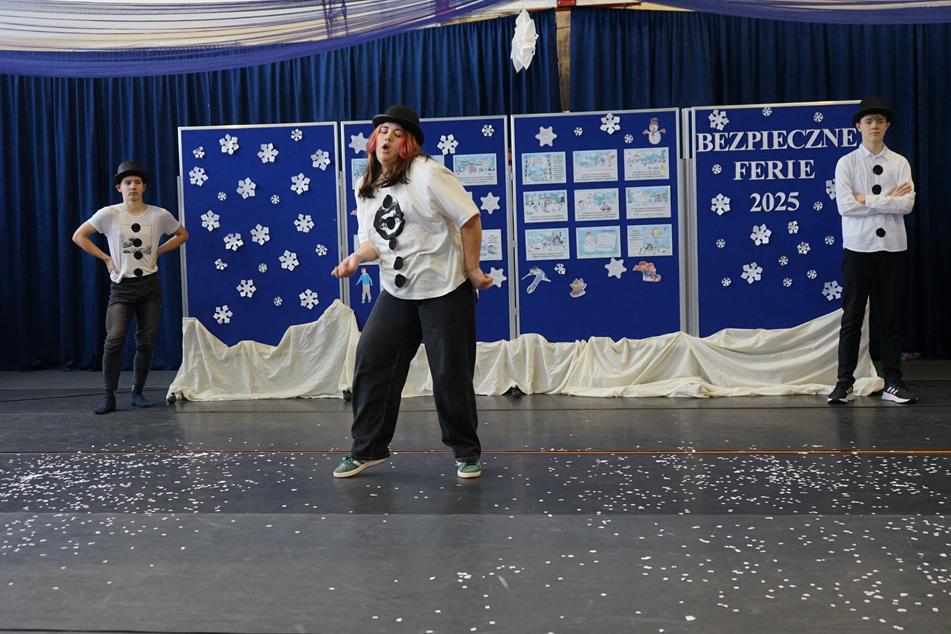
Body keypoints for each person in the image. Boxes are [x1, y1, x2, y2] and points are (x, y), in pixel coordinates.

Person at [331, 105, 493, 479]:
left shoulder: (428, 173)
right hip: (398, 291)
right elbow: (373, 243)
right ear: (374, 140)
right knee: (371, 359)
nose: (387, 137)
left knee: (450, 375)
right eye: (383, 131)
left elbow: (469, 218)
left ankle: (465, 451)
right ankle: (368, 448)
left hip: (444, 289)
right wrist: (356, 258)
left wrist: (472, 268)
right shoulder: (366, 185)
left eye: (397, 133)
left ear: (409, 143)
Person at [72, 160, 189, 414]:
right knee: (114, 340)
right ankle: (109, 396)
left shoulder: (159, 215)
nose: (132, 187)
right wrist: (106, 258)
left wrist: (159, 251)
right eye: (127, 183)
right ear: (119, 187)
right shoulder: (109, 214)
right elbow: (79, 236)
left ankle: (137, 392)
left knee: (145, 341)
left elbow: (182, 234)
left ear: (144, 186)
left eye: (137, 182)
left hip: (149, 287)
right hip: (121, 289)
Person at [828, 97, 916, 405]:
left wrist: (866, 199)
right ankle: (844, 383)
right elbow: (845, 206)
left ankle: (893, 382)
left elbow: (907, 204)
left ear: (887, 125)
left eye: (879, 121)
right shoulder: (847, 163)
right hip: (858, 248)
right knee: (852, 317)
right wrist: (886, 199)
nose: (874, 126)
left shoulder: (899, 162)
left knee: (890, 317)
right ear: (858, 126)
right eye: (868, 121)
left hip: (892, 248)